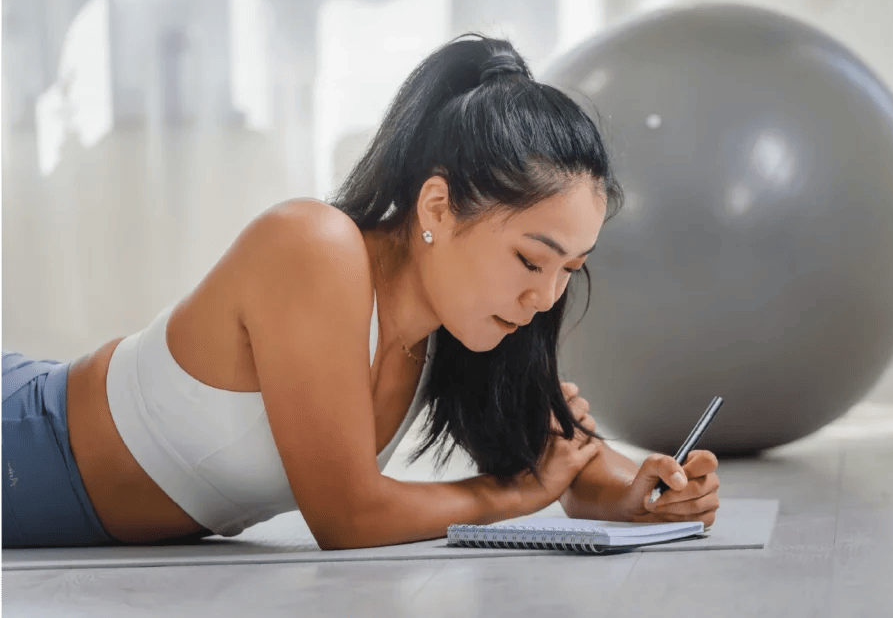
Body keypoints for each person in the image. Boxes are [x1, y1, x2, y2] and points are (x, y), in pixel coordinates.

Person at [1, 34, 720, 550]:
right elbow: (346, 517)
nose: (545, 295)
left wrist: (647, 493)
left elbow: (566, 462)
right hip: (24, 439)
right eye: (533, 258)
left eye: (572, 268)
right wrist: (516, 498)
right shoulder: (314, 247)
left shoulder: (468, 324)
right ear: (437, 208)